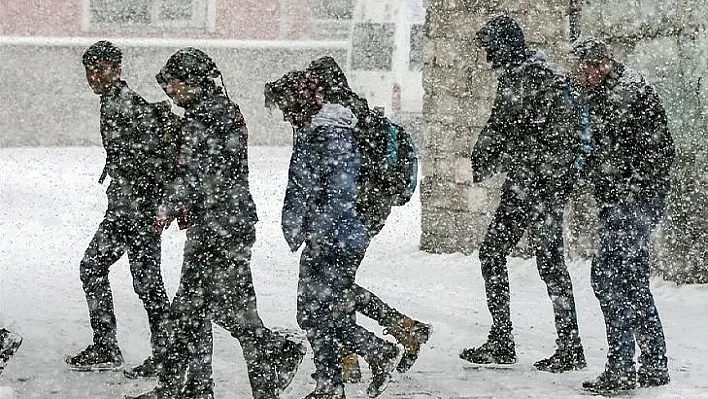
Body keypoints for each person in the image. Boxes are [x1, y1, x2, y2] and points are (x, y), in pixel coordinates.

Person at [128, 48, 304, 399]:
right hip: (224, 223)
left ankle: (273, 354)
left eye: (176, 85)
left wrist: (165, 206)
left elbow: (199, 175)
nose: (171, 92)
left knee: (205, 310)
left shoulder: (209, 116)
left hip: (220, 228)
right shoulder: (216, 112)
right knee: (202, 311)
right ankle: (213, 388)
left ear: (193, 82)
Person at [265, 56, 432, 383]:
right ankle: (382, 343)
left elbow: (333, 184)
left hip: (345, 221)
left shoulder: (333, 122)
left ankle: (356, 358)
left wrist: (319, 226)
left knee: (330, 295)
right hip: (360, 216)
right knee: (337, 291)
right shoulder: (351, 112)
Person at [459, 15, 586, 373]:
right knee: (494, 252)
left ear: (505, 46)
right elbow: (501, 130)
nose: (486, 57)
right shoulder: (519, 78)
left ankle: (570, 345)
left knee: (549, 261)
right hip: (525, 185)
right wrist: (482, 163)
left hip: (541, 188)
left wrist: (487, 163)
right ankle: (504, 339)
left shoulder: (534, 81)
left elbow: (512, 133)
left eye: (490, 49)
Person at [571, 38, 674, 394]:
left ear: (601, 64)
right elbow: (598, 150)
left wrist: (631, 189)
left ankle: (622, 369)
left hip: (634, 203)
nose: (579, 74)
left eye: (583, 67)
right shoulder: (602, 94)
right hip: (623, 202)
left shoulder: (630, 95)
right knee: (630, 279)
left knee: (607, 276)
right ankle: (655, 364)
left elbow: (661, 151)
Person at [66, 41, 172, 375]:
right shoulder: (112, 102)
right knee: (106, 271)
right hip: (126, 208)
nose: (94, 76)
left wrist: (149, 202)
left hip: (136, 210)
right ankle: (114, 346)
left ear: (117, 70)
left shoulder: (125, 105)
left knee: (143, 282)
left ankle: (160, 353)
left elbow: (155, 159)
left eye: (102, 69)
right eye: (90, 70)